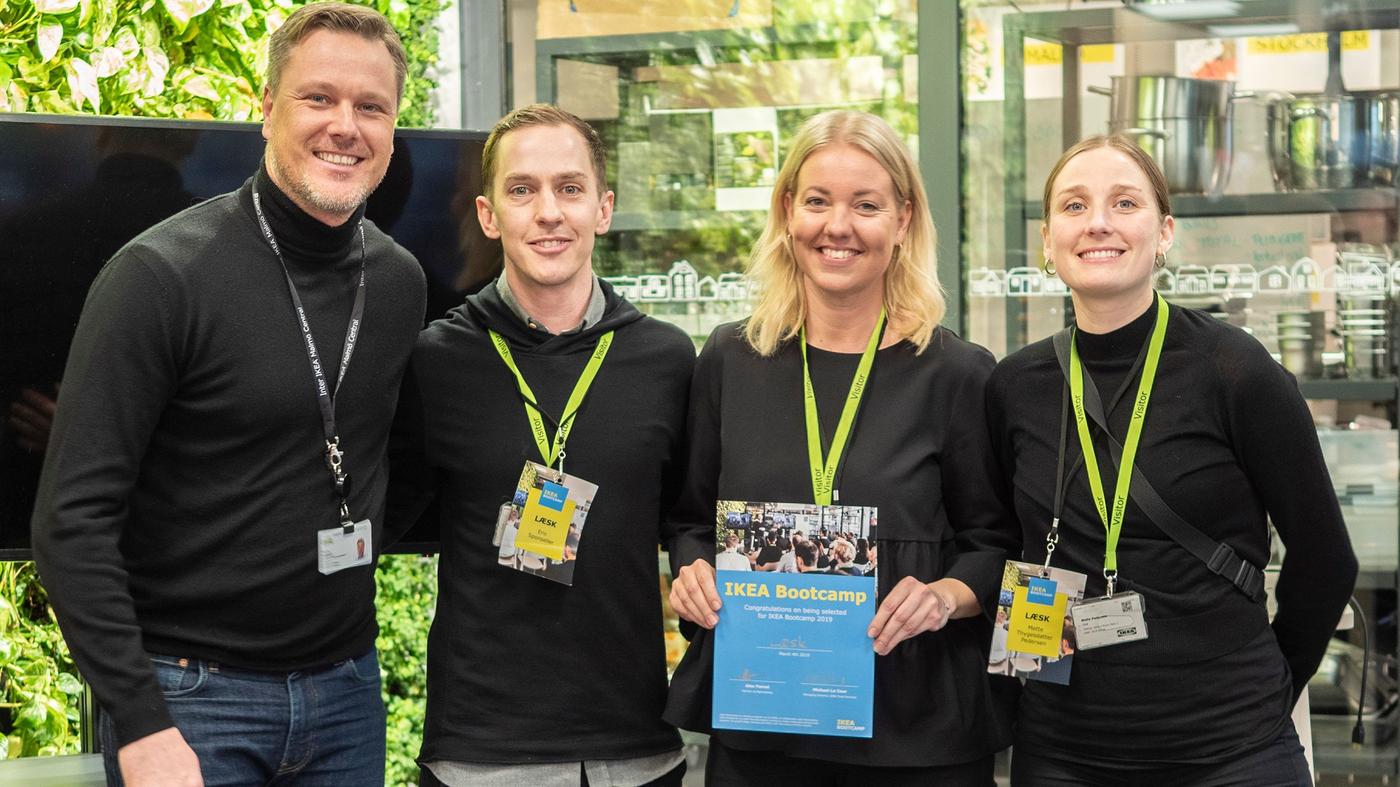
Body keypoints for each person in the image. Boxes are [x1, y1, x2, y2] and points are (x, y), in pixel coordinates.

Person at [27, 5, 424, 786]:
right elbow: (71, 518)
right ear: (265, 108)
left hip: (347, 691)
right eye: (318, 98)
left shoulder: (401, 281)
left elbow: (398, 454)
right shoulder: (161, 275)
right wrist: (139, 721)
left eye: (370, 106)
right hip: (191, 697)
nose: (345, 125)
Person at [986, 134, 1358, 785]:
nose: (1098, 221)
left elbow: (1326, 558)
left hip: (1231, 750)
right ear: (1047, 240)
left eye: (1123, 202)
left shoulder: (1235, 369)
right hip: (1063, 751)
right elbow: (1003, 543)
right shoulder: (1015, 385)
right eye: (1075, 206)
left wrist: (1268, 690)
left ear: (1163, 233)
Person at [664, 110, 1018, 785]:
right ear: (787, 210)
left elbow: (995, 543)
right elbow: (688, 520)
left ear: (903, 219)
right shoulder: (729, 359)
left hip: (919, 736)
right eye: (818, 201)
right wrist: (693, 572)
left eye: (866, 205)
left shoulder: (957, 372)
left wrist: (945, 595)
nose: (838, 226)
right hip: (762, 727)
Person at [387, 103, 694, 787]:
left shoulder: (666, 360)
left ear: (603, 208)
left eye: (570, 187)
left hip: (636, 749)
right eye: (522, 190)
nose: (548, 211)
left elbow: (691, 524)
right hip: (479, 754)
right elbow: (387, 511)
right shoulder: (436, 360)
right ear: (490, 215)